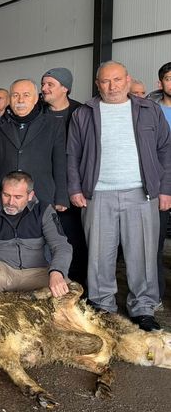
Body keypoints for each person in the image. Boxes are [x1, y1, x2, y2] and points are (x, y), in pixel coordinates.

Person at [68, 61, 171, 332]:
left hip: (141, 193)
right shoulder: (84, 113)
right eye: (105, 81)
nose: (111, 86)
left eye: (116, 80)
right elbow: (73, 155)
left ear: (128, 80)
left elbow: (165, 151)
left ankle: (143, 308)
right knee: (100, 255)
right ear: (97, 84)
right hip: (98, 194)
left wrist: (165, 189)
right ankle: (103, 306)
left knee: (142, 254)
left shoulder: (149, 110)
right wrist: (75, 189)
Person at [0, 172, 72, 298]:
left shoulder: (44, 210)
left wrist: (57, 272)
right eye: (6, 195)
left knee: (68, 290)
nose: (10, 202)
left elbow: (61, 246)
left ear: (30, 196)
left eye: (18, 197)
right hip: (1, 273)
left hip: (36, 272)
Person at [0, 79, 68, 209]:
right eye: (15, 95)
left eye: (26, 95)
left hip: (41, 196)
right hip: (3, 198)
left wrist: (61, 198)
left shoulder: (53, 125)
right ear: (10, 99)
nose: (20, 100)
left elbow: (60, 163)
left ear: (36, 98)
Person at [40, 67, 86, 284]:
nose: (44, 88)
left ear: (65, 88)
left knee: (73, 237)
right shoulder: (38, 111)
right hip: (45, 185)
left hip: (73, 186)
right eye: (43, 84)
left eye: (50, 84)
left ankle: (76, 284)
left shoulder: (81, 112)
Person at [149, 61, 171, 300]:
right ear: (160, 82)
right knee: (154, 245)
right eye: (168, 78)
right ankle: (154, 296)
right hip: (160, 184)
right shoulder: (150, 110)